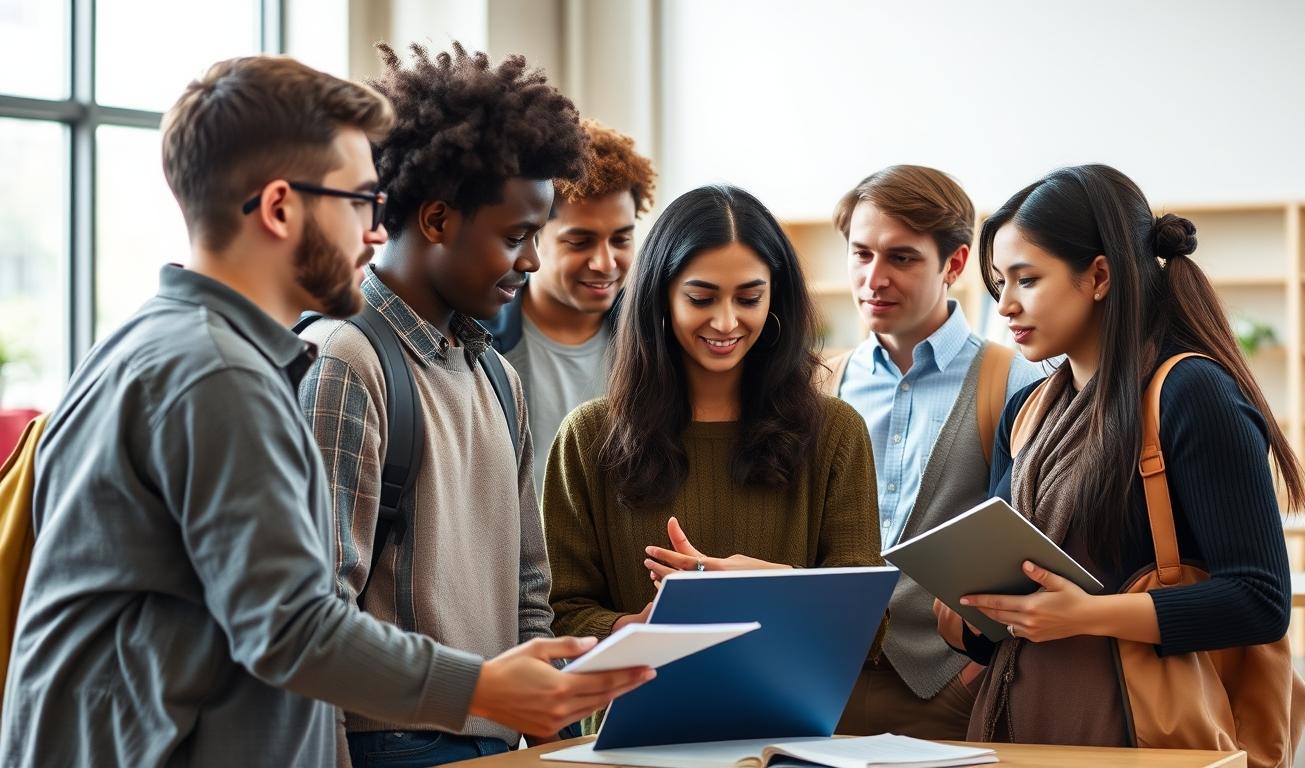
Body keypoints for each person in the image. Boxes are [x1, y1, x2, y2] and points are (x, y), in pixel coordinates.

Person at [0, 55, 651, 768]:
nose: (377, 231)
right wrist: (482, 688)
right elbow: (292, 624)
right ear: (280, 207)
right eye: (359, 202)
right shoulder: (219, 374)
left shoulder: (149, 347)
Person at [296, 42, 610, 766]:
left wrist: (556, 738)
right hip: (389, 745)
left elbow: (531, 587)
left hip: (498, 744)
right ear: (437, 221)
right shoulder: (348, 361)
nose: (530, 261)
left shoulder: (496, 376)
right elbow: (316, 618)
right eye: (516, 237)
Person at [934, 164, 1305, 747]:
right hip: (1028, 724)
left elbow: (1258, 600)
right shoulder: (1029, 411)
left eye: (1026, 279)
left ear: (1100, 275)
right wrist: (971, 610)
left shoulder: (1190, 393)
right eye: (999, 283)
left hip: (1144, 735)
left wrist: (1085, 615)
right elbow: (1021, 609)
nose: (1004, 305)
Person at [545, 184, 883, 646]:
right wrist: (634, 629)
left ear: (775, 299)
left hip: (785, 716)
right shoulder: (587, 437)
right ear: (661, 299)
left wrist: (775, 585)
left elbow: (868, 629)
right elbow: (556, 614)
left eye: (748, 299)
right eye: (701, 298)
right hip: (635, 714)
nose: (725, 323)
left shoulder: (835, 433)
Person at [819, 165, 1041, 739]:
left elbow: (1036, 540)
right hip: (825, 677)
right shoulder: (818, 385)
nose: (875, 278)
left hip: (947, 688)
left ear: (956, 263)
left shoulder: (1014, 382)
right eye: (861, 254)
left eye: (902, 258)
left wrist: (972, 672)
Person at [484, 119, 656, 494]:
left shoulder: (655, 338)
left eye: (621, 240)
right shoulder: (478, 344)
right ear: (533, 237)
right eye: (580, 242)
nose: (605, 263)